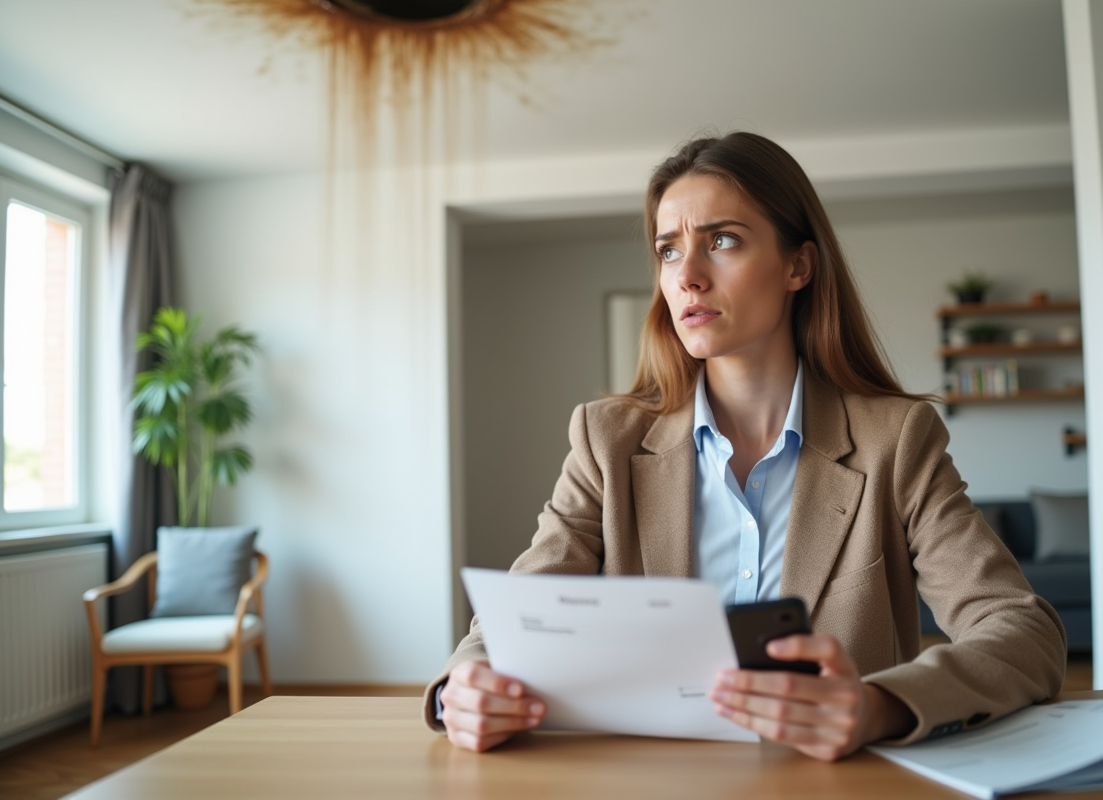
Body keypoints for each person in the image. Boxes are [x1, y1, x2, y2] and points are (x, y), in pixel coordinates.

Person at [424, 131, 1066, 758]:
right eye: (669, 250)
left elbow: (1022, 630)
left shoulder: (894, 441)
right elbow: (517, 618)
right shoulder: (607, 441)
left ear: (798, 265)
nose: (688, 277)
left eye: (722, 241)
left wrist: (880, 707)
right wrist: (466, 686)